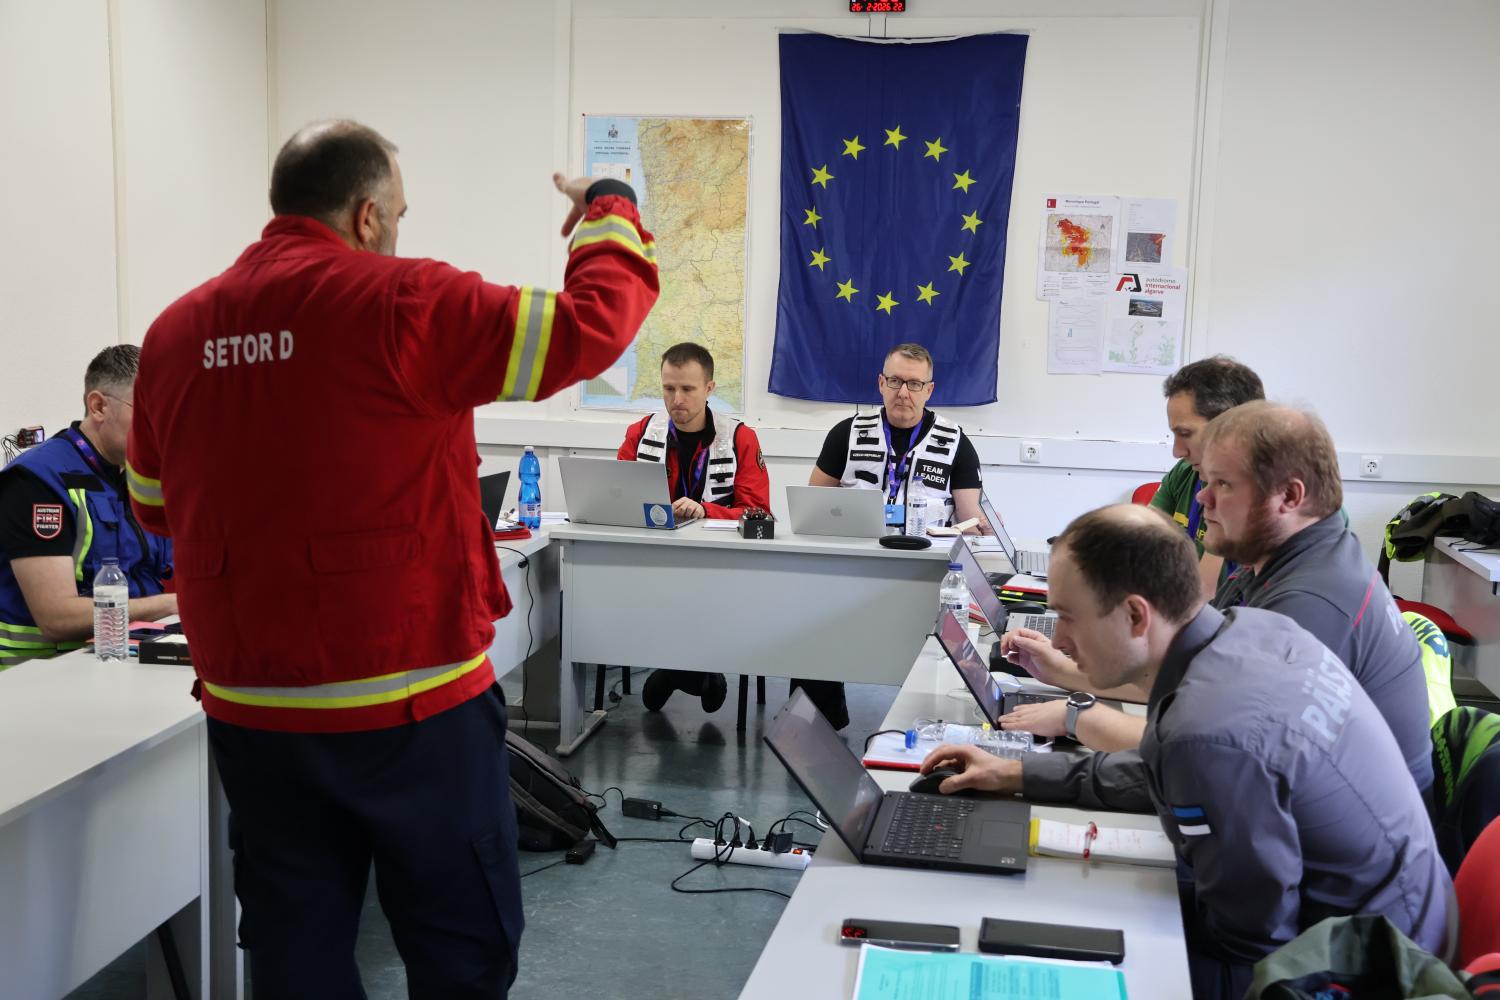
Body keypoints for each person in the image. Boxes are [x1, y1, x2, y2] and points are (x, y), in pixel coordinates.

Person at [127, 120, 658, 998]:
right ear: (368, 215)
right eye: (399, 214)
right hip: (408, 704)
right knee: (459, 948)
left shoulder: (177, 332)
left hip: (254, 711)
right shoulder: (406, 302)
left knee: (297, 957)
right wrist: (610, 210)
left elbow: (152, 507)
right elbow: (593, 326)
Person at [920, 505, 1450, 1000]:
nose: (1058, 640)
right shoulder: (1251, 632)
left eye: (1067, 616)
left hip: (1365, 971)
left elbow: (1249, 939)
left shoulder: (1209, 734)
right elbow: (1159, 769)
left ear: (1135, 616)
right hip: (1393, 919)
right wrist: (1017, 772)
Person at [1001, 402, 1434, 798]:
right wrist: (1069, 673)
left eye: (1222, 484)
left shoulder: (1308, 606)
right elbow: (1191, 688)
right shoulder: (1270, 566)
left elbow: (1205, 762)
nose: (1203, 498)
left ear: (1290, 496)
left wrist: (1061, 737)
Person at [799, 342, 984, 729]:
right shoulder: (847, 433)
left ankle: (934, 715)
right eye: (896, 381)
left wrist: (979, 526)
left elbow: (971, 517)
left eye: (915, 384)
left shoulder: (955, 442)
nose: (904, 392)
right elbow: (811, 504)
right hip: (851, 568)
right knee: (806, 611)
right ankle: (820, 718)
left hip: (926, 575)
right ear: (881, 383)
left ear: (929, 390)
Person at [617, 341, 770, 714]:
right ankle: (698, 673)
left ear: (710, 389)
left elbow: (760, 513)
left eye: (687, 389)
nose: (676, 399)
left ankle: (673, 673)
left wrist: (706, 509)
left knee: (696, 593)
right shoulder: (641, 432)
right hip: (653, 562)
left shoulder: (739, 438)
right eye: (669, 388)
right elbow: (616, 495)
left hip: (719, 565)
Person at [0, 345, 175, 668]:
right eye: (150, 413)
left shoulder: (141, 478)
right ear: (98, 406)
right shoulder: (39, 481)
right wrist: (172, 604)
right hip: (35, 676)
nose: (162, 429)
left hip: (120, 660)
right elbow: (56, 617)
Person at [1149, 355, 1264, 596]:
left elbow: (1203, 596)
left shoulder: (1274, 501)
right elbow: (1139, 539)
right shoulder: (1185, 473)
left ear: (1234, 426)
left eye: (1186, 434)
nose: (1177, 451)